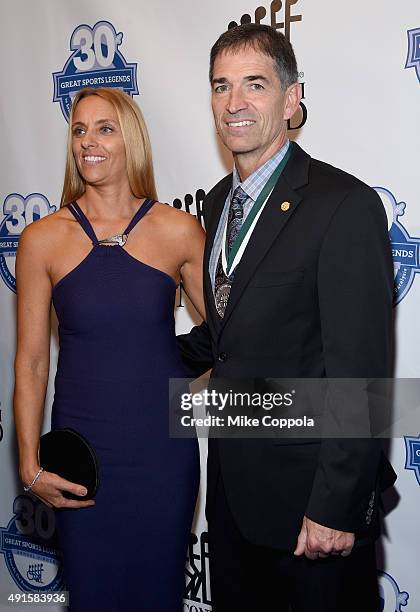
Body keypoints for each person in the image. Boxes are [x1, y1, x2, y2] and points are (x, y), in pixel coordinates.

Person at [177, 24, 396, 612]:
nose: (234, 102)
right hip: (231, 503)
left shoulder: (342, 205)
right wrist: (138, 352)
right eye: (221, 87)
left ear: (291, 99)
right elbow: (229, 335)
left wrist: (334, 506)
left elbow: (361, 370)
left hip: (310, 515)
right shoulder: (220, 201)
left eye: (255, 84)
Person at [14, 87, 205, 611]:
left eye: (105, 128)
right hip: (82, 456)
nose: (88, 142)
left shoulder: (180, 231)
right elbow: (31, 363)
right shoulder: (41, 239)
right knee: (92, 596)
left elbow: (229, 338)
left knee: (159, 594)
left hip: (162, 456)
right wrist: (28, 464)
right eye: (79, 130)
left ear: (132, 140)